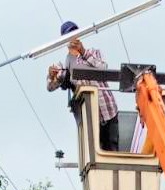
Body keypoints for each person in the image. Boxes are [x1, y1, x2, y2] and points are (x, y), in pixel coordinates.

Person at [46, 20, 119, 152]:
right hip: (90, 116)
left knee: (113, 150)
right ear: (64, 40)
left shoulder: (94, 52)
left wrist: (83, 52)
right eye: (69, 35)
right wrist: (51, 76)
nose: (73, 37)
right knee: (97, 153)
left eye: (75, 32)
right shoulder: (65, 65)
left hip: (108, 110)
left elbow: (103, 67)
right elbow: (50, 87)